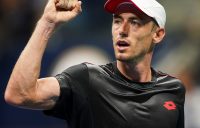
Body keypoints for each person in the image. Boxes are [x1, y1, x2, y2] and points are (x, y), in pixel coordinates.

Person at [4, 0, 185, 128]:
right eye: (117, 21)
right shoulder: (86, 79)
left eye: (135, 22)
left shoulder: (173, 90)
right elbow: (19, 94)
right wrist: (47, 23)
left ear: (158, 34)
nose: (122, 30)